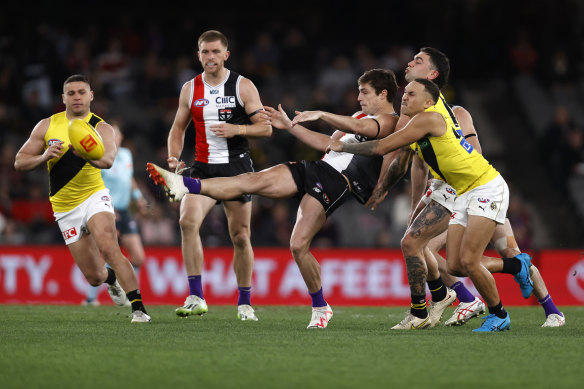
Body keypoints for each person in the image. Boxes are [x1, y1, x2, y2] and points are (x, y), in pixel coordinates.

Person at [147, 69, 400, 328]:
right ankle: (185, 185)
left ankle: (320, 306)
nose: (359, 98)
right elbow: (327, 143)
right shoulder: (359, 116)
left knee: (298, 245)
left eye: (365, 92)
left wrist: (322, 114)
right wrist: (290, 126)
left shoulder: (392, 122)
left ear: (383, 94)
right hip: (316, 169)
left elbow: (362, 128)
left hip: (337, 183)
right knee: (252, 180)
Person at [366, 48, 564, 328]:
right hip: (452, 192)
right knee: (434, 252)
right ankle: (466, 298)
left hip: (474, 190)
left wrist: (454, 183)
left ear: (432, 76)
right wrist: (413, 202)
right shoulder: (413, 116)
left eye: (418, 61)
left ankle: (550, 309)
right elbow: (417, 164)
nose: (410, 63)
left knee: (504, 251)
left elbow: (475, 151)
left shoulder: (455, 112)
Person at [327, 78, 513, 332]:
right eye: (405, 93)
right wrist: (393, 192)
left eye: (412, 94)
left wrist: (345, 145)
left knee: (418, 244)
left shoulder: (430, 118)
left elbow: (382, 146)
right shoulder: (417, 125)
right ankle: (514, 266)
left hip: (484, 187)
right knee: (458, 265)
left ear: (428, 102)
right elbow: (409, 164)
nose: (404, 97)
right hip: (459, 192)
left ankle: (486, 314)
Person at [14, 74, 150, 323]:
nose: (77, 97)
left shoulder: (101, 127)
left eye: (81, 92)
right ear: (63, 98)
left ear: (91, 96)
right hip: (65, 207)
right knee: (94, 277)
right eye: (71, 93)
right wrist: (43, 157)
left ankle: (139, 309)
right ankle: (111, 279)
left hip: (94, 196)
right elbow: (19, 161)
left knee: (109, 247)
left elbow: (108, 161)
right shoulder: (46, 125)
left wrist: (84, 153)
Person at [165, 30, 272, 321]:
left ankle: (245, 302)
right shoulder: (189, 88)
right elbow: (178, 128)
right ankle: (196, 296)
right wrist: (175, 157)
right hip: (202, 168)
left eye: (215, 52)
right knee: (187, 222)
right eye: (204, 52)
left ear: (226, 55)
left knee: (240, 235)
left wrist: (237, 129)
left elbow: (266, 128)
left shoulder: (242, 86)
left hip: (236, 169)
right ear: (198, 55)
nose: (210, 57)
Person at [83, 120, 147, 306]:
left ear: (121, 137)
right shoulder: (99, 157)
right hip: (105, 211)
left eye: (116, 134)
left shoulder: (126, 154)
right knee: (109, 254)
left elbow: (129, 179)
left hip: (124, 211)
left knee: (139, 257)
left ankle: (131, 294)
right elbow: (94, 184)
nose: (113, 138)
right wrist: (108, 207)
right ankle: (90, 299)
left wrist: (139, 197)